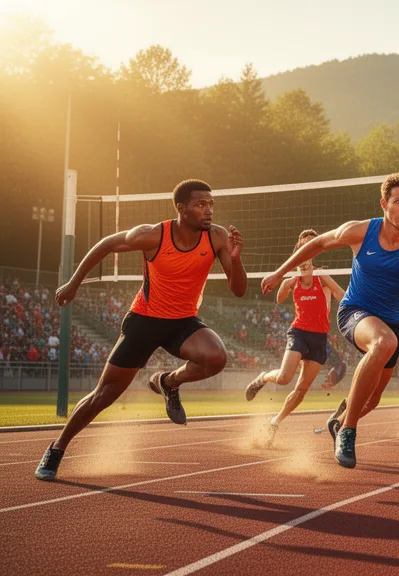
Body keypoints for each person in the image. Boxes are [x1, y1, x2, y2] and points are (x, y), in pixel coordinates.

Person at [35, 179, 247, 480]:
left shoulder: (217, 237)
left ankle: (168, 382)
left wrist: (235, 262)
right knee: (103, 395)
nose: (208, 210)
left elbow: (238, 290)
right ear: (181, 208)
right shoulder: (152, 235)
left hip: (183, 321)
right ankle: (57, 448)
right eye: (201, 204)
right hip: (145, 321)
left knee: (216, 357)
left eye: (211, 204)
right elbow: (107, 244)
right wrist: (73, 282)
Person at [261, 173, 399, 469]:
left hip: (393, 321)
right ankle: (348, 431)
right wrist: (280, 273)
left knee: (372, 400)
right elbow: (317, 244)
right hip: (355, 312)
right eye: (398, 202)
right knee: (384, 342)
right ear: (384, 204)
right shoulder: (360, 231)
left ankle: (339, 421)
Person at [244, 230, 345, 446]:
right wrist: (285, 284)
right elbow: (279, 299)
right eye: (304, 245)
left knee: (301, 391)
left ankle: (275, 422)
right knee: (284, 378)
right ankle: (263, 377)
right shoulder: (292, 279)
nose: (308, 249)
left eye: (312, 245)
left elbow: (341, 295)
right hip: (299, 332)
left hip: (319, 339)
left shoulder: (322, 276)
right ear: (298, 249)